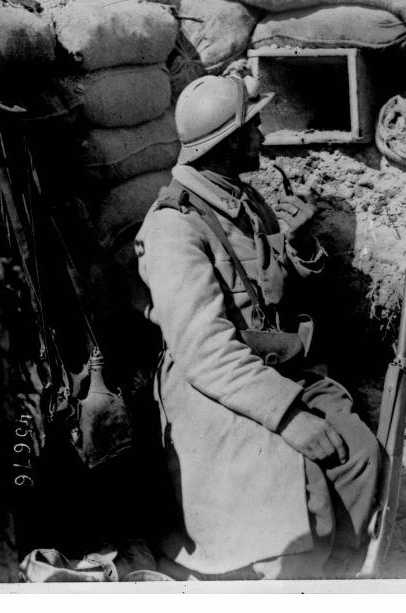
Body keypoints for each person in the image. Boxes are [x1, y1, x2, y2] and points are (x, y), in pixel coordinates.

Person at [135, 73, 379, 580]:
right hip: (213, 387)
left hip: (275, 367)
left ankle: (334, 583)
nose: (263, 136)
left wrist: (301, 243)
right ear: (229, 142)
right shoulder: (172, 227)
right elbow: (204, 350)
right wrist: (290, 419)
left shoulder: (243, 200)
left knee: (359, 456)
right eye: (255, 127)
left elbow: (272, 289)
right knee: (297, 487)